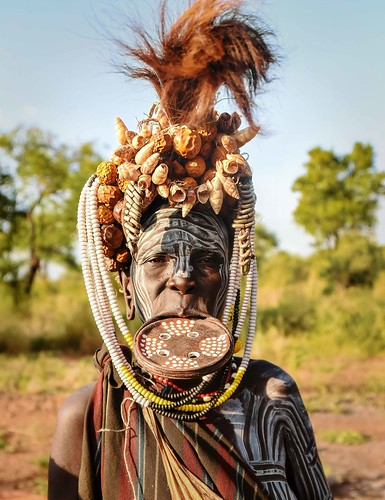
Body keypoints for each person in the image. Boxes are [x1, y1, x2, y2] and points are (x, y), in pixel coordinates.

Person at [48, 1, 333, 498]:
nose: (184, 276)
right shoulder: (90, 417)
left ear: (231, 284)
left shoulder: (271, 398)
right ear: (127, 286)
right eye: (157, 259)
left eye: (208, 260)